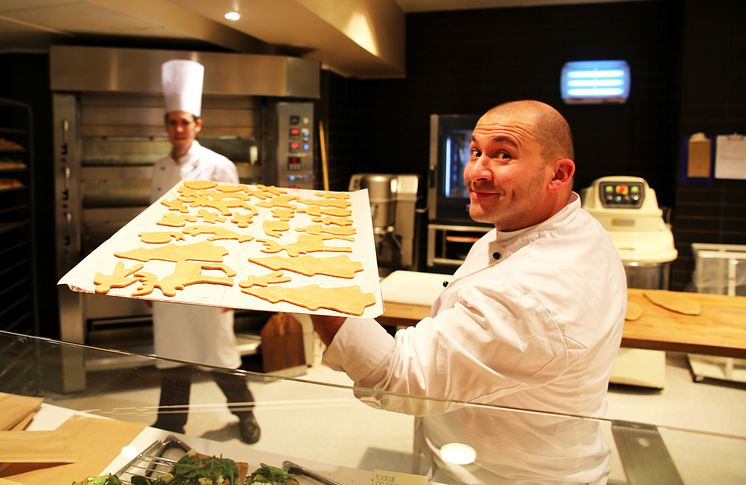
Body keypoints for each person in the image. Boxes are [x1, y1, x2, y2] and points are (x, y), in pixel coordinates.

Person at [311, 100, 627, 483]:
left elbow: (399, 374)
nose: (476, 171)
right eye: (475, 151)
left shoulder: (535, 291)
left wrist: (312, 278)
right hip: (485, 454)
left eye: (503, 155)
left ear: (558, 174)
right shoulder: (560, 226)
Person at [150, 59, 260, 444]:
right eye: (171, 121)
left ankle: (246, 415)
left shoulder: (219, 166)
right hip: (168, 278)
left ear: (198, 124)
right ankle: (170, 426)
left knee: (219, 356)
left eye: (185, 122)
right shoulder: (160, 169)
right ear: (166, 126)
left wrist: (232, 285)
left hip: (210, 276)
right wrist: (148, 280)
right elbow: (153, 228)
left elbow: (237, 227)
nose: (177, 129)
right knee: (172, 358)